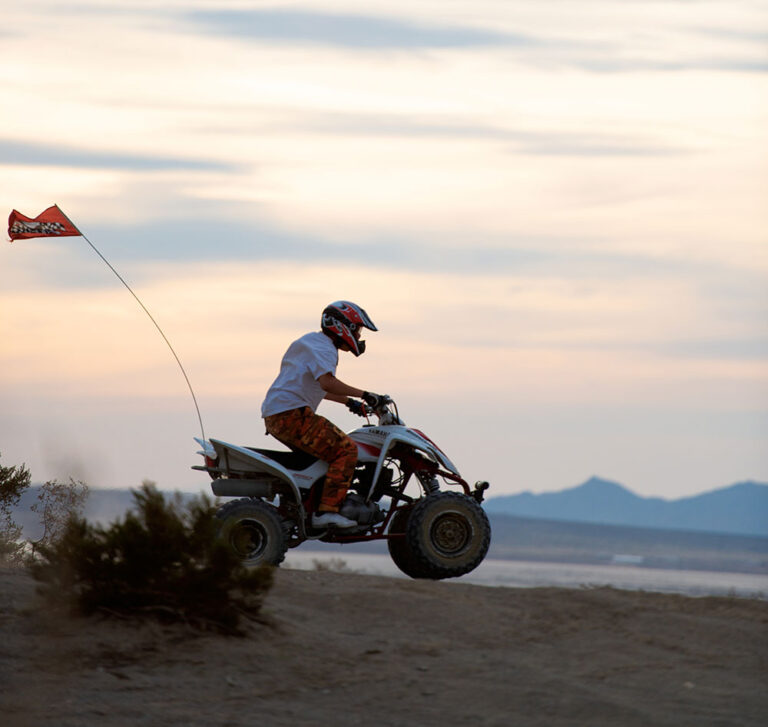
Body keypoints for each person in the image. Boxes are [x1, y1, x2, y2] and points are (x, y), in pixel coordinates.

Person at [261, 301, 387, 529]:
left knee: (323, 457)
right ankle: (326, 512)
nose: (358, 335)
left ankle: (307, 504)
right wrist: (366, 395)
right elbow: (327, 382)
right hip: (292, 415)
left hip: (277, 415)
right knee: (347, 450)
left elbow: (317, 387)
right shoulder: (324, 348)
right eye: (357, 329)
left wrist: (350, 402)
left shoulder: (311, 342)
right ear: (341, 326)